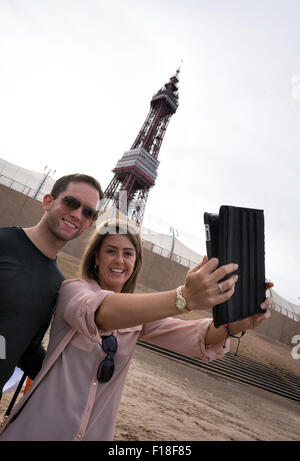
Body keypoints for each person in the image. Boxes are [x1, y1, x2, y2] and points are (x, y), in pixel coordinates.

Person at [0, 219, 272, 441]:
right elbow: (101, 312)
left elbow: (197, 337)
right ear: (96, 257)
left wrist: (236, 324)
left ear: (135, 263)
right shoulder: (73, 291)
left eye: (128, 253)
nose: (120, 259)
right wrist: (184, 298)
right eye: (111, 250)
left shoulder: (141, 315)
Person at [0, 173, 103, 400]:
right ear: (48, 201)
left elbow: (26, 350)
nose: (77, 214)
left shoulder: (58, 284)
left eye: (88, 212)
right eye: (71, 202)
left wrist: (72, 382)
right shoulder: (3, 244)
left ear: (89, 225)